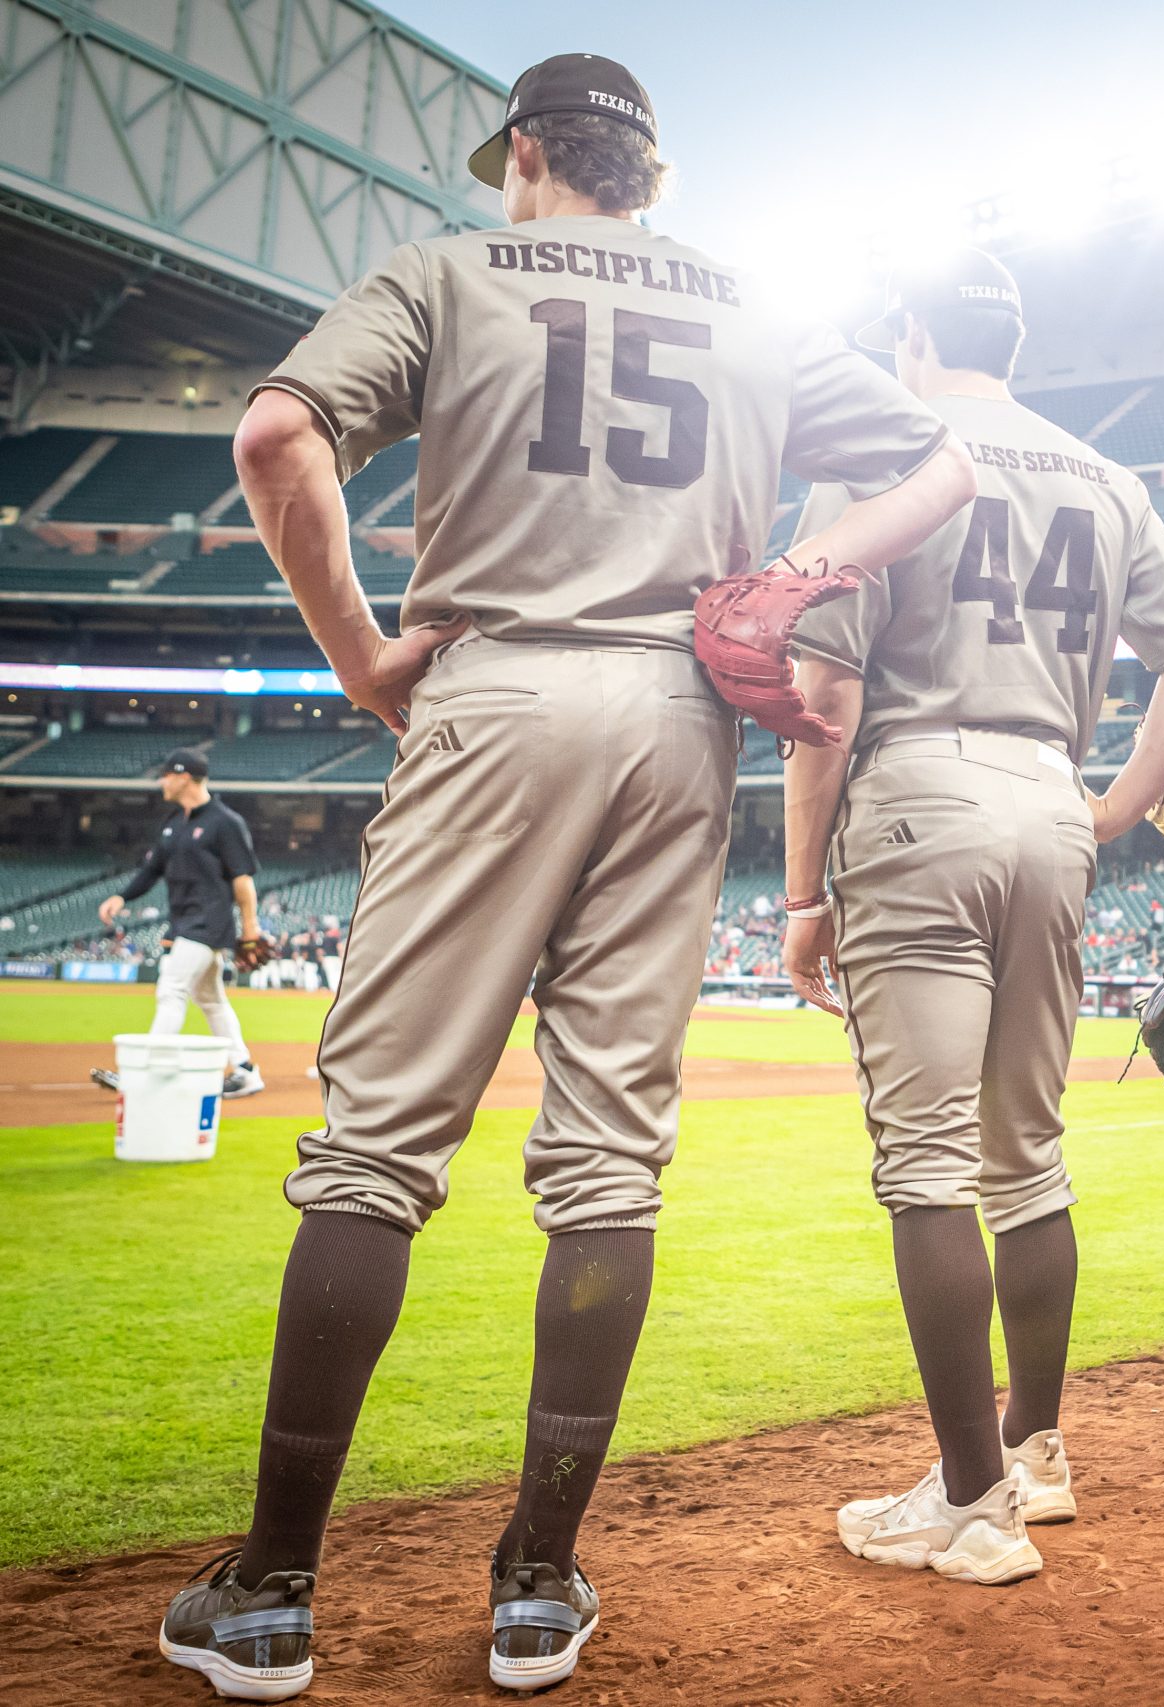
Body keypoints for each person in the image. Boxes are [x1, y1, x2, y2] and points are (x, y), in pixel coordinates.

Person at [160, 54, 973, 1701]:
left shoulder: (449, 269)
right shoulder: (748, 304)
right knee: (609, 1161)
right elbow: (945, 467)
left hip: (492, 690)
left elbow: (275, 437)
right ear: (651, 174)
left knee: (377, 1148)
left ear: (526, 155)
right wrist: (801, 573)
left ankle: (270, 1589)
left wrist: (366, 661)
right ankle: (538, 1583)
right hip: (683, 717)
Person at [784, 247, 1164, 1583]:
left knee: (925, 1164)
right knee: (1026, 1154)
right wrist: (1114, 807)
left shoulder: (887, 443)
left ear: (915, 335)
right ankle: (1034, 1451)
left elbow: (825, 685)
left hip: (918, 785)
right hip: (1049, 794)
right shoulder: (1104, 472)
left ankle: (970, 1500)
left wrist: (801, 890)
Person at [92, 748, 265, 1099]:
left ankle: (145, 1071)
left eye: (166, 774)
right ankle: (245, 1071)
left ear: (184, 777)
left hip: (208, 924)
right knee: (211, 1001)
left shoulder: (225, 822)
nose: (161, 781)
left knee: (171, 989)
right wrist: (122, 897)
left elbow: (243, 880)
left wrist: (250, 929)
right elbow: (152, 869)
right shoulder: (173, 824)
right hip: (185, 922)